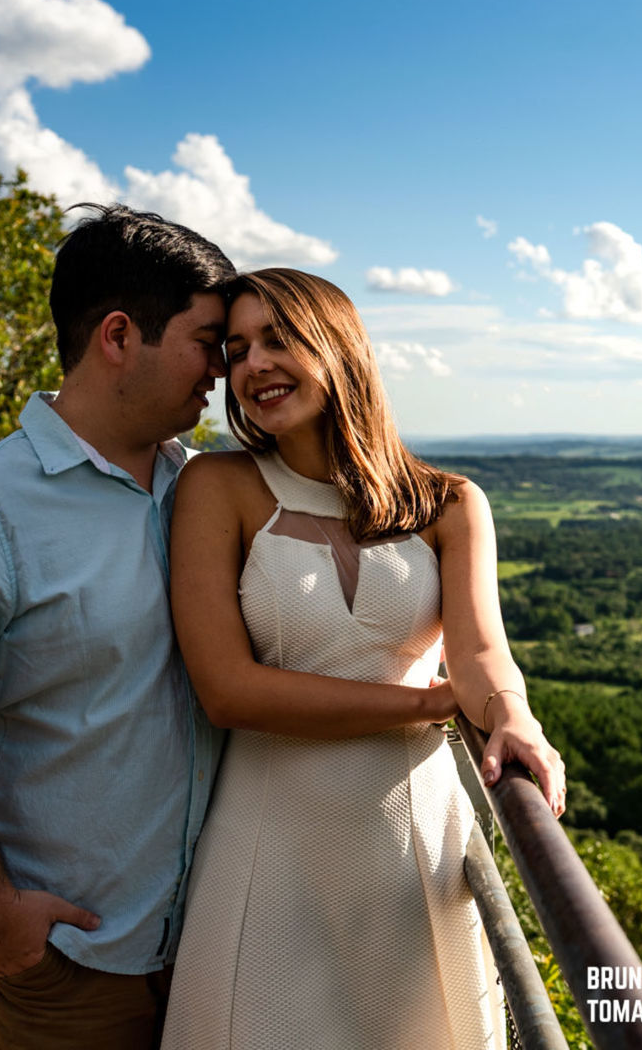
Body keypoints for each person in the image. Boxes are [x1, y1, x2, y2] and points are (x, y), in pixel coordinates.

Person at [159, 267, 565, 1050]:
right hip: (268, 843)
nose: (253, 365)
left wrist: (512, 716)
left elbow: (482, 650)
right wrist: (430, 703)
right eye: (237, 350)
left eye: (278, 338)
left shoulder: (450, 502)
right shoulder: (218, 485)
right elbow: (228, 691)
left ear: (339, 346)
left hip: (413, 842)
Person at [0, 204, 237, 1048]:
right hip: (70, 958)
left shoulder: (201, 489)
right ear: (119, 335)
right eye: (207, 340)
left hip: (212, 947)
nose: (222, 368)